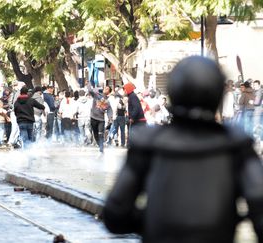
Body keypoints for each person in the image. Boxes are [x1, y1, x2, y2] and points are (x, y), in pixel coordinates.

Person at [103, 56, 263, 242]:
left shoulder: (148, 143)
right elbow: (259, 205)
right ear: (217, 93)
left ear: (173, 91)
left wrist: (152, 219)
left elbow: (115, 215)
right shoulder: (236, 145)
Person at [87, 83, 113, 153]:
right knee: (95, 134)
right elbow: (90, 91)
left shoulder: (107, 102)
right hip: (93, 117)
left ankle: (101, 148)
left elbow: (109, 110)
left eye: (107, 89)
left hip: (101, 120)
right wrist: (89, 83)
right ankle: (100, 145)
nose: (105, 89)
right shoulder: (97, 95)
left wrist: (110, 119)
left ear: (109, 92)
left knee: (100, 134)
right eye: (105, 88)